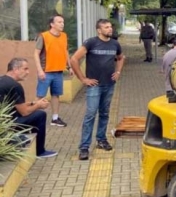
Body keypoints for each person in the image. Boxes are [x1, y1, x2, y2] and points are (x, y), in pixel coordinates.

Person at [70, 19, 124, 161]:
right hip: (94, 85)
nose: (110, 29)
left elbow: (120, 57)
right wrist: (83, 79)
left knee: (105, 113)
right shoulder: (90, 43)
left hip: (109, 84)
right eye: (106, 27)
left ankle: (101, 139)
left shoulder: (115, 44)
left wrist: (118, 72)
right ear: (99, 30)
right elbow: (74, 59)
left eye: (110, 26)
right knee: (90, 114)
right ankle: (84, 147)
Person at [0, 58, 57, 158]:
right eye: (25, 69)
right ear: (15, 69)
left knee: (31, 113)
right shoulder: (15, 86)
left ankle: (21, 136)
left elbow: (17, 105)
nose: (28, 72)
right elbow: (24, 112)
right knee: (40, 115)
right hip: (8, 125)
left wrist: (33, 103)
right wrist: (38, 105)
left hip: (3, 124)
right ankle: (40, 151)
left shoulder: (3, 80)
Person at [34, 14, 70, 127]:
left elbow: (66, 51)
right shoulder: (44, 36)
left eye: (63, 22)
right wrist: (40, 70)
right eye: (59, 22)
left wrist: (70, 66)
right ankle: (34, 118)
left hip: (58, 71)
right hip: (46, 71)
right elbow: (36, 54)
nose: (62, 24)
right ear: (52, 24)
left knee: (56, 95)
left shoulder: (64, 36)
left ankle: (55, 118)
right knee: (40, 95)